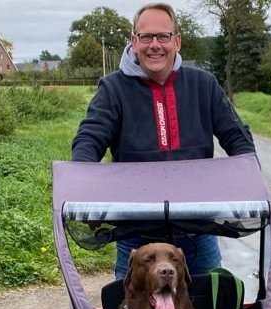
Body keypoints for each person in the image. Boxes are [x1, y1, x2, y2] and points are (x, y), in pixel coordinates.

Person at [71, 1, 256, 280]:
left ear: (176, 41)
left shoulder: (204, 84)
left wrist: (248, 180)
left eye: (163, 36)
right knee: (132, 307)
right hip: (137, 235)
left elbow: (237, 138)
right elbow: (89, 140)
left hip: (198, 231)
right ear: (134, 42)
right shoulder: (113, 89)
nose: (154, 45)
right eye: (146, 37)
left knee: (207, 304)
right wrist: (85, 190)